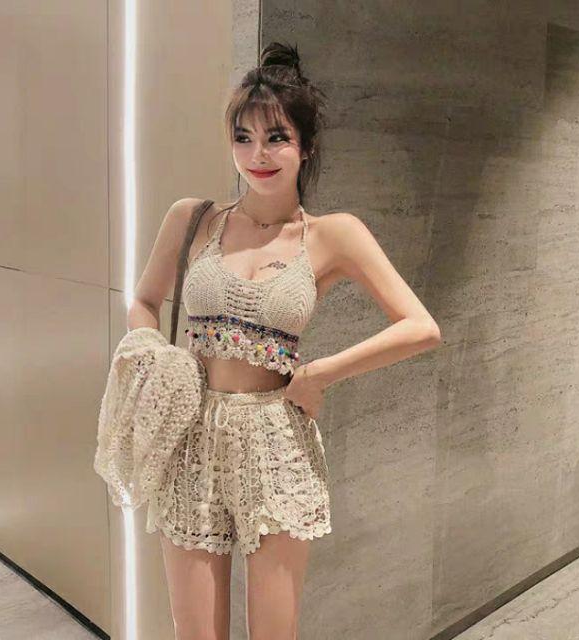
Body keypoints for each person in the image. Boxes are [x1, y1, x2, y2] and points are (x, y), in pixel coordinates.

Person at [127, 41, 442, 640]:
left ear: (306, 145)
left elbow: (420, 327)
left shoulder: (332, 235)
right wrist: (155, 361)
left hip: (277, 441)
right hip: (191, 435)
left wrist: (321, 374)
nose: (258, 154)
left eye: (276, 137)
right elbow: (144, 302)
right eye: (243, 137)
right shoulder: (193, 219)